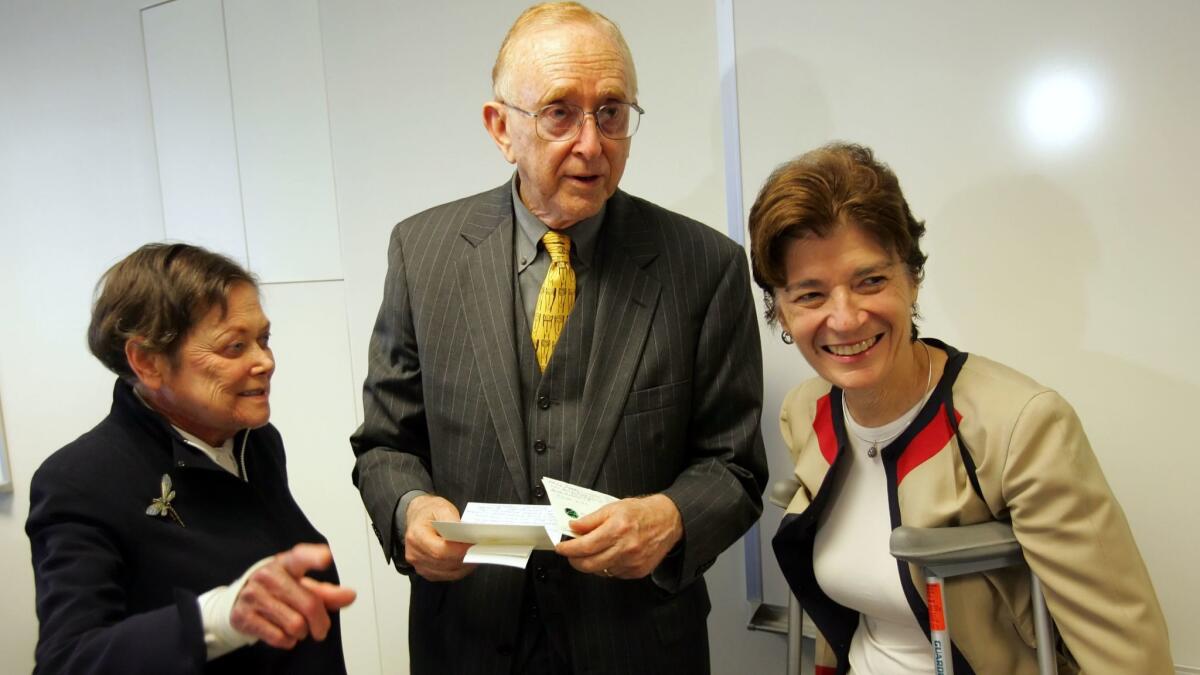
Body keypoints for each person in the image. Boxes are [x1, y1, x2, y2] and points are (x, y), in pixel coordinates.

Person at [350, 3, 767, 673]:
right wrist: (408, 508)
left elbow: (736, 464)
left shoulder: (705, 267)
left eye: (611, 112)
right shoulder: (422, 253)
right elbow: (384, 442)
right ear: (501, 127)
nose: (592, 144)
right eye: (559, 112)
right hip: (467, 640)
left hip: (637, 645)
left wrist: (671, 516)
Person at [749, 142, 1172, 674]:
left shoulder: (1021, 426)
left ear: (913, 279)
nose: (846, 318)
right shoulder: (807, 413)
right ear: (781, 313)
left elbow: (1128, 656)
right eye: (810, 295)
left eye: (870, 281)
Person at [26, 243, 355, 674]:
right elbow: (68, 660)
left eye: (264, 339)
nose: (266, 361)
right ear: (148, 362)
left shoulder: (257, 444)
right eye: (235, 347)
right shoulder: (80, 479)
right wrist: (221, 618)